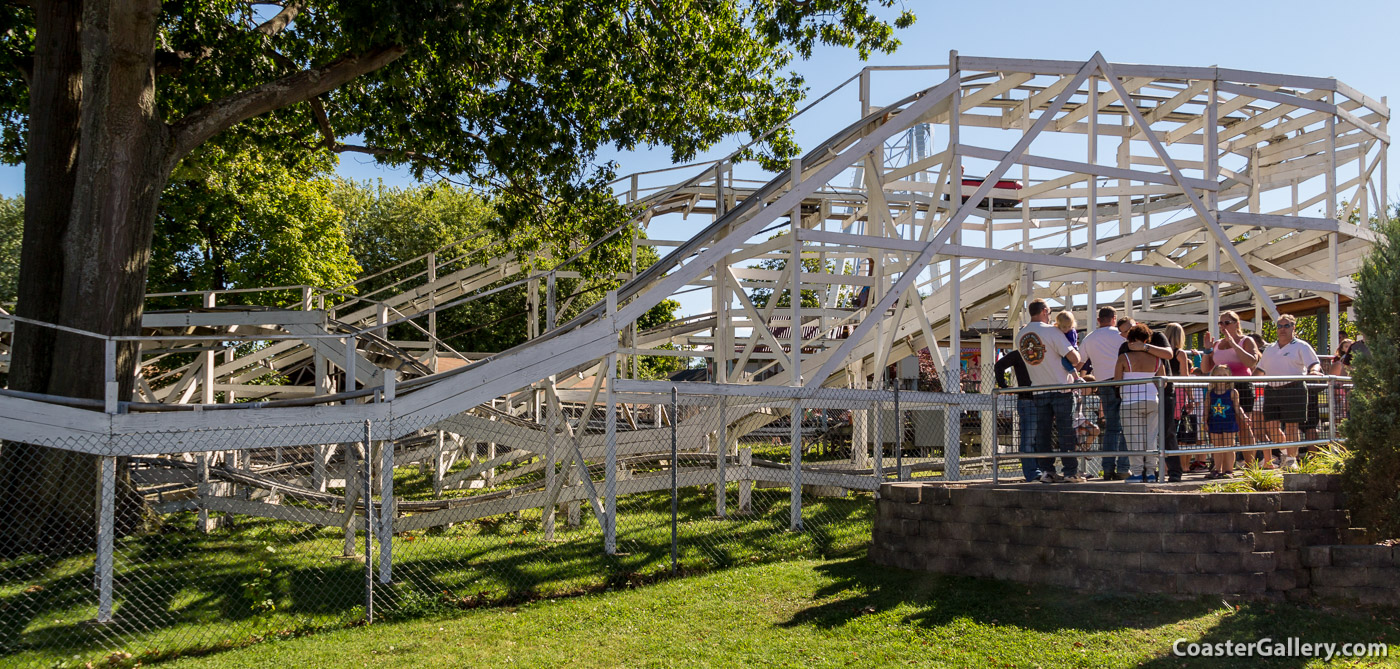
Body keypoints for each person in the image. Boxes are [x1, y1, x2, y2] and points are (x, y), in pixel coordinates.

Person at [1016, 298, 1083, 483]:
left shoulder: (1020, 335)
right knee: (1066, 432)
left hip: (1038, 389)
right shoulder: (1052, 331)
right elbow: (1074, 358)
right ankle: (1070, 472)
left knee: (1043, 435)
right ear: (1045, 311)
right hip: (1061, 387)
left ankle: (1047, 471)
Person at [1255, 314, 1322, 470]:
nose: (1282, 329)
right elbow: (1259, 369)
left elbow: (1314, 363)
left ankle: (1291, 460)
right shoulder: (1270, 348)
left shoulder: (1301, 345)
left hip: (1294, 388)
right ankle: (1286, 453)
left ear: (1293, 327)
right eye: (1279, 326)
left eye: (1286, 326)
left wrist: (1314, 372)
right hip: (1271, 390)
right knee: (1271, 427)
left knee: (1292, 426)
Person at [1201, 311, 1262, 465]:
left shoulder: (1246, 341)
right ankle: (1223, 467)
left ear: (1236, 323)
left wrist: (1234, 344)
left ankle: (1251, 466)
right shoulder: (1217, 344)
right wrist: (1207, 351)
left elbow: (1251, 362)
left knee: (1243, 426)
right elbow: (1205, 369)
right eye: (1220, 323)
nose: (1223, 326)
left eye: (1226, 323)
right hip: (1220, 390)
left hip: (1241, 387)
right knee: (1222, 428)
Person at [1079, 307, 1129, 479]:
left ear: (1099, 320)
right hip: (1125, 381)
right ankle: (1124, 468)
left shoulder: (1089, 338)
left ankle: (1107, 468)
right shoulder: (1121, 335)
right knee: (1127, 427)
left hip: (1104, 385)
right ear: (1114, 318)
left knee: (1111, 428)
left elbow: (1079, 362)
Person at [1114, 324, 1164, 482]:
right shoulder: (1157, 359)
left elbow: (1117, 382)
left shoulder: (1124, 358)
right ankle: (1150, 472)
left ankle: (1136, 473)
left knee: (1134, 438)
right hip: (1152, 400)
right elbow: (1163, 383)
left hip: (1130, 401)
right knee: (1151, 438)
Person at [994, 349, 1039, 482]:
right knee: (1029, 438)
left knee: (1035, 438)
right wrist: (1003, 385)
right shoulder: (1022, 353)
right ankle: (1033, 472)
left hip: (1032, 398)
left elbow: (999, 366)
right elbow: (999, 366)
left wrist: (1003, 385)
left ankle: (1038, 470)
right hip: (1030, 398)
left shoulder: (1023, 352)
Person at [1161, 323, 1194, 482]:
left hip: (1162, 390)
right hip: (1177, 391)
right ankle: (1172, 466)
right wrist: (1191, 398)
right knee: (1172, 429)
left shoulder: (1161, 352)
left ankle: (1164, 467)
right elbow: (1185, 377)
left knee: (1164, 429)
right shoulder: (1180, 354)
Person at [1206, 366, 1243, 479]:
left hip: (1229, 422)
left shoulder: (1232, 392)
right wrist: (1204, 421)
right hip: (1214, 422)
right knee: (1217, 447)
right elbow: (1206, 408)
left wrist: (1244, 417)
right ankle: (1217, 469)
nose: (1221, 378)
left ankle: (1229, 470)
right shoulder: (1210, 393)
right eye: (1218, 375)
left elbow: (1237, 408)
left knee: (1229, 446)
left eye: (1224, 375)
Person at [1056, 310, 1080, 375]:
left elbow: (1069, 345)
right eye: (1064, 327)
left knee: (1063, 360)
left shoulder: (1071, 332)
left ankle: (1073, 372)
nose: (1066, 329)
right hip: (1068, 348)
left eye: (1069, 326)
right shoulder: (1058, 330)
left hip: (1072, 348)